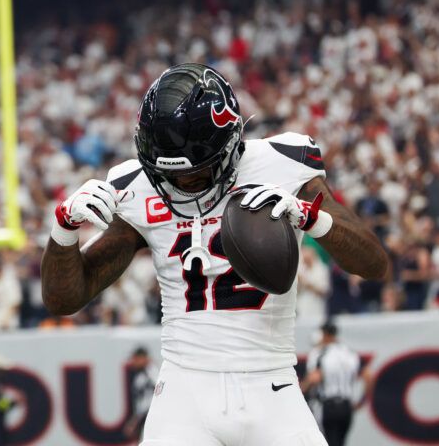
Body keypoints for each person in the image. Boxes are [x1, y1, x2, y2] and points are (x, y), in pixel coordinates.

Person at [41, 63, 388, 445]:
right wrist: (64, 229)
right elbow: (64, 298)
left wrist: (309, 216)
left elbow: (374, 264)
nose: (182, 185)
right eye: (169, 175)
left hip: (271, 384)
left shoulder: (282, 165)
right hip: (183, 393)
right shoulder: (136, 188)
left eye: (195, 174)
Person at [302, 321, 373, 446]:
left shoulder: (320, 353)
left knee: (326, 442)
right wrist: (361, 401)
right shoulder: (349, 352)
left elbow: (315, 378)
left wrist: (302, 388)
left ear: (325, 334)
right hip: (346, 406)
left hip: (328, 406)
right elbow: (368, 376)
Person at [123, 347, 158, 443]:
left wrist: (135, 420)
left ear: (144, 358)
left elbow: (150, 399)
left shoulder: (151, 372)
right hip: (146, 417)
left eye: (136, 359)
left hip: (149, 417)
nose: (133, 361)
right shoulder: (142, 373)